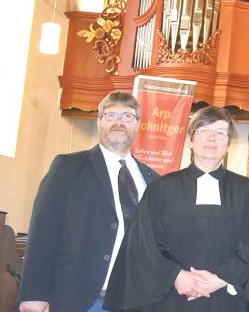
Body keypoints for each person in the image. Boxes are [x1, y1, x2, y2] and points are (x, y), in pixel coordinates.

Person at [103, 106, 249, 311]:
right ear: (191, 140)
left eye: (220, 133)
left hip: (227, 299)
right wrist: (176, 275)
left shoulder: (248, 192)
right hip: (172, 298)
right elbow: (144, 244)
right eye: (204, 131)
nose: (212, 138)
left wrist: (222, 278)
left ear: (228, 144)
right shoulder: (161, 189)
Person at [19, 91, 158, 312]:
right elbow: (43, 231)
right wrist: (33, 293)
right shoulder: (68, 167)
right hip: (78, 297)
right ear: (99, 121)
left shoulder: (151, 179)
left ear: (139, 124)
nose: (119, 122)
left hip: (134, 301)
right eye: (111, 115)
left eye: (128, 116)